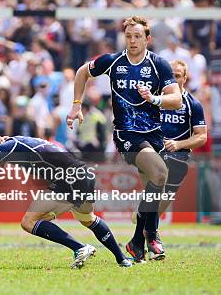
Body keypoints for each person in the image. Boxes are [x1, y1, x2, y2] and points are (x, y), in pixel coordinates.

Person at [0, 135, 133, 268]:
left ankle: (79, 248)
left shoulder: (4, 149)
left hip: (69, 178)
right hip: (84, 174)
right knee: (87, 219)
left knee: (28, 222)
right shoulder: (16, 142)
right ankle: (122, 258)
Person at [67, 16, 182, 261]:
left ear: (147, 39)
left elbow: (177, 99)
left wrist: (154, 99)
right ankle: (152, 234)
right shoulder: (113, 61)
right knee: (160, 173)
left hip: (154, 134)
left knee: (152, 189)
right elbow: (82, 72)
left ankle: (136, 243)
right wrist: (76, 105)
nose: (132, 41)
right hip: (126, 134)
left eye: (137, 36)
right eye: (128, 36)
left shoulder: (159, 65)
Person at [128, 59, 207, 262]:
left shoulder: (192, 104)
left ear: (185, 78)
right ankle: (149, 240)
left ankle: (140, 239)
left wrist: (178, 144)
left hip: (178, 157)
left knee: (159, 202)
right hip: (153, 153)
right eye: (171, 75)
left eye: (178, 75)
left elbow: (201, 136)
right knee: (152, 197)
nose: (173, 78)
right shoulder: (153, 100)